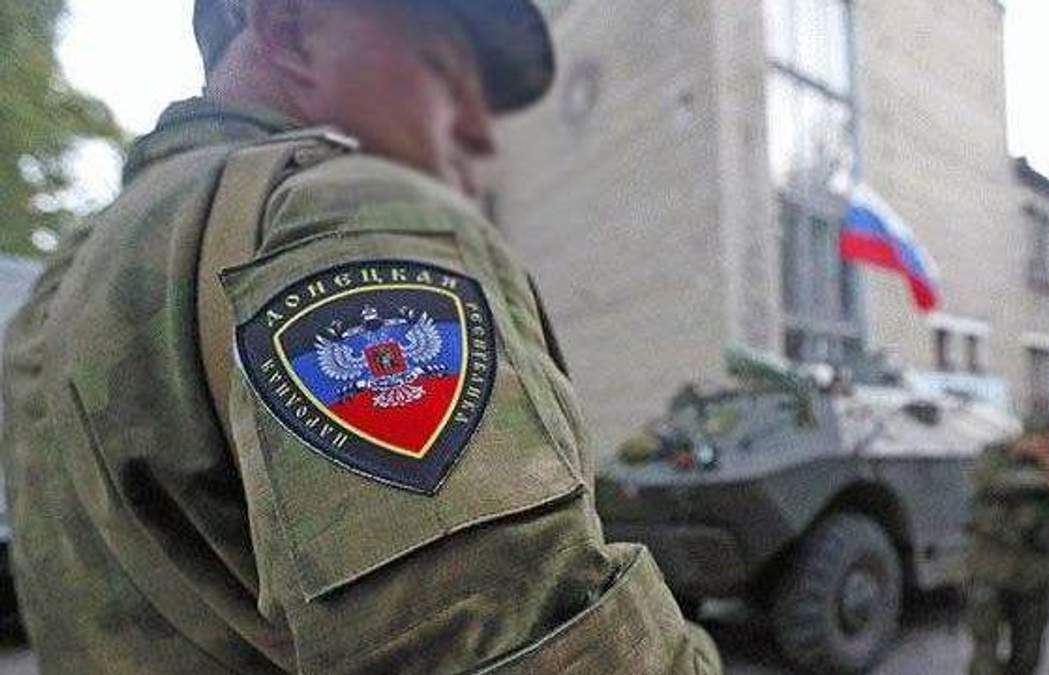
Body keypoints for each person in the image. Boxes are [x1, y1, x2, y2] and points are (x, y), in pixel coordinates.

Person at [0, 1, 722, 673]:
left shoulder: (65, 282)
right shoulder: (346, 213)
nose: (479, 130)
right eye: (445, 72)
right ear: (292, 30)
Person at [964, 413, 1049, 675]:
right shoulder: (997, 456)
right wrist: (1044, 480)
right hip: (990, 568)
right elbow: (989, 481)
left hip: (1034, 572)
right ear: (1024, 437)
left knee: (1028, 655)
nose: (1046, 446)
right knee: (984, 656)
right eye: (1040, 439)